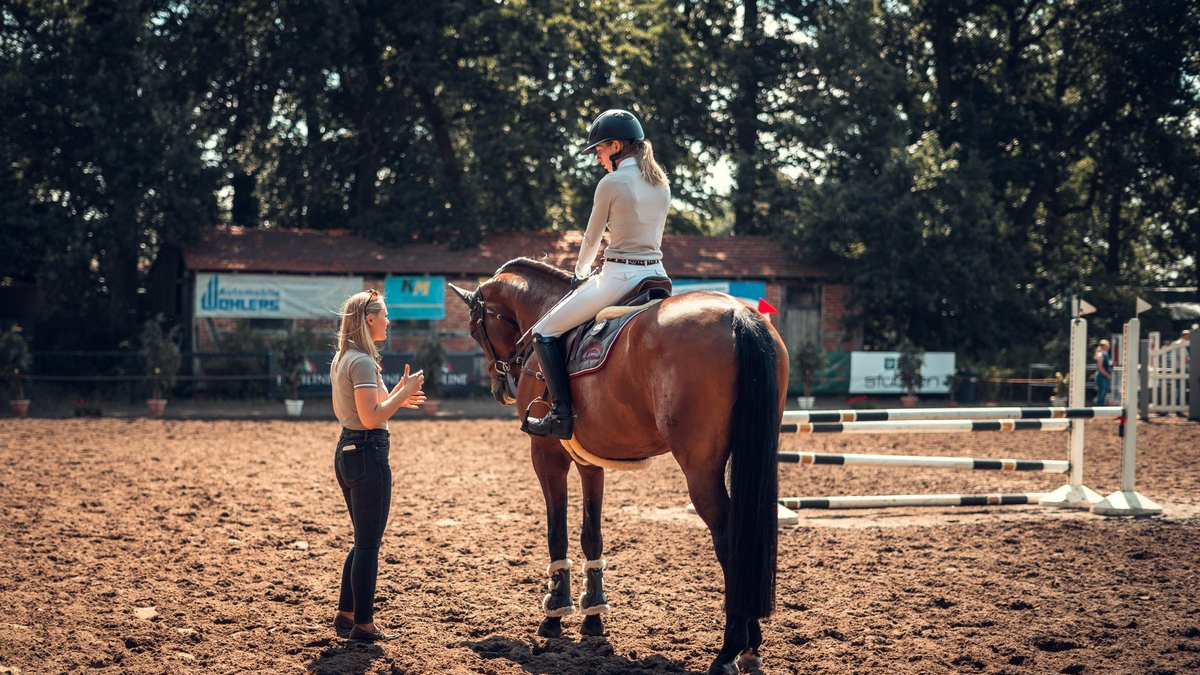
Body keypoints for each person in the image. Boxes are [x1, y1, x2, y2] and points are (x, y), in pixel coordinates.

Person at [522, 109, 671, 440]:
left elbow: (592, 237)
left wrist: (580, 272)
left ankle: (560, 414)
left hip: (618, 279)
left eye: (600, 151)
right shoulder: (662, 185)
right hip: (658, 276)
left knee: (543, 331)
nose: (598, 159)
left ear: (616, 146)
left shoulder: (612, 182)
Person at [329, 289, 426, 641]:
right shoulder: (363, 361)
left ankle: (346, 613)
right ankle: (363, 625)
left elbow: (359, 410)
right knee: (369, 544)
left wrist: (396, 394)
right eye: (383, 315)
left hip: (348, 451)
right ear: (369, 319)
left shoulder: (345, 358)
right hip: (368, 454)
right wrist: (402, 393)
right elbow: (371, 418)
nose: (388, 320)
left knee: (361, 541)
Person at [1094, 339, 1112, 406]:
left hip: (1104, 377)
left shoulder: (1105, 355)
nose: (1108, 348)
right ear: (1103, 347)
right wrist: (1107, 375)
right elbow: (1100, 367)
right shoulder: (1101, 355)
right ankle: (1098, 408)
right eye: (1107, 346)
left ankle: (1100, 408)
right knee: (1101, 394)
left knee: (1103, 394)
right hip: (1101, 377)